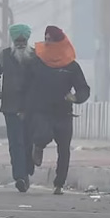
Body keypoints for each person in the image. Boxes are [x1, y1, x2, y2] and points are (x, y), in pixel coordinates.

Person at [22, 26, 90, 195]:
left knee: (64, 149)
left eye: (51, 39)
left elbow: (83, 88)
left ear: (60, 42)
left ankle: (59, 183)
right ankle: (38, 147)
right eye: (46, 38)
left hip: (63, 112)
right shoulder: (37, 61)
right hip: (41, 110)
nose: (47, 42)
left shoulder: (71, 66)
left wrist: (76, 97)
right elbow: (26, 85)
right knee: (43, 134)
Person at [0, 23, 36, 193]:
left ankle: (27, 170)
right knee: (15, 143)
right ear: (13, 40)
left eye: (23, 40)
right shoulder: (4, 55)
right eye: (18, 40)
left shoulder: (36, 56)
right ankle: (20, 177)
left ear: (27, 39)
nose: (21, 43)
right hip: (10, 106)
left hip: (31, 108)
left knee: (29, 142)